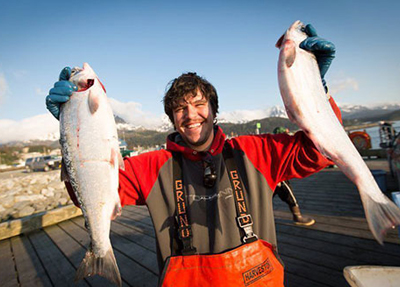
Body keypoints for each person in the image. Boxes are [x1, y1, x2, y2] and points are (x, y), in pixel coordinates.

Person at [46, 24, 339, 286]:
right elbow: (91, 186)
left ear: (213, 109)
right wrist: (74, 130)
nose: (191, 115)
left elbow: (319, 152)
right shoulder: (152, 167)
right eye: (180, 109)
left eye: (199, 104)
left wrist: (316, 92)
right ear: (172, 119)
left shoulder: (254, 151)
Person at [272, 127, 316, 226]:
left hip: (275, 177)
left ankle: (258, 218)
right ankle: (297, 217)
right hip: (278, 177)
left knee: (266, 199)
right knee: (289, 196)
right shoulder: (279, 143)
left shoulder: (275, 143)